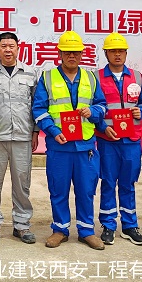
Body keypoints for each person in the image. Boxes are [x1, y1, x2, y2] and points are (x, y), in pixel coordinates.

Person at [32, 30, 107, 251]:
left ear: (82, 54)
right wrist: (53, 131)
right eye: (67, 52)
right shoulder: (47, 78)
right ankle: (60, 229)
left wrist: (93, 111)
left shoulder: (91, 78)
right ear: (60, 53)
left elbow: (102, 106)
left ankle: (86, 231)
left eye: (75, 52)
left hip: (85, 146)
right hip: (59, 145)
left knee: (86, 190)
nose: (71, 56)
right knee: (58, 190)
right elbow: (39, 109)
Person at [0, 32, 38, 246]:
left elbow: (36, 104)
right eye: (3, 46)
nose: (7, 50)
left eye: (11, 46)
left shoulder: (30, 73)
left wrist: (35, 132)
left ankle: (21, 224)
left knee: (22, 182)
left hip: (23, 135)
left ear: (18, 48)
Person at [95, 33, 142, 246]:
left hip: (131, 139)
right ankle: (108, 225)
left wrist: (141, 111)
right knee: (108, 181)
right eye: (113, 51)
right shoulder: (96, 77)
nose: (117, 54)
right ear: (106, 53)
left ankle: (129, 225)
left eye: (121, 51)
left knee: (128, 182)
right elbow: (94, 108)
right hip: (107, 139)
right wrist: (103, 127)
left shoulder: (137, 77)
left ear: (126, 53)